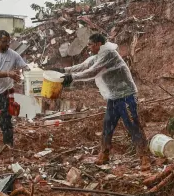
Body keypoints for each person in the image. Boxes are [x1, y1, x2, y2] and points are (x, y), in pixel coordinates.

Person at [60, 34, 151, 170]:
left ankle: (144, 157)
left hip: (126, 95)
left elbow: (92, 72)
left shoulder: (109, 54)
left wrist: (71, 78)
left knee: (133, 125)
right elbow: (83, 66)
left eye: (90, 44)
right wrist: (63, 71)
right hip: (113, 97)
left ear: (98, 44)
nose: (88, 47)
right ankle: (104, 153)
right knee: (108, 126)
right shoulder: (97, 57)